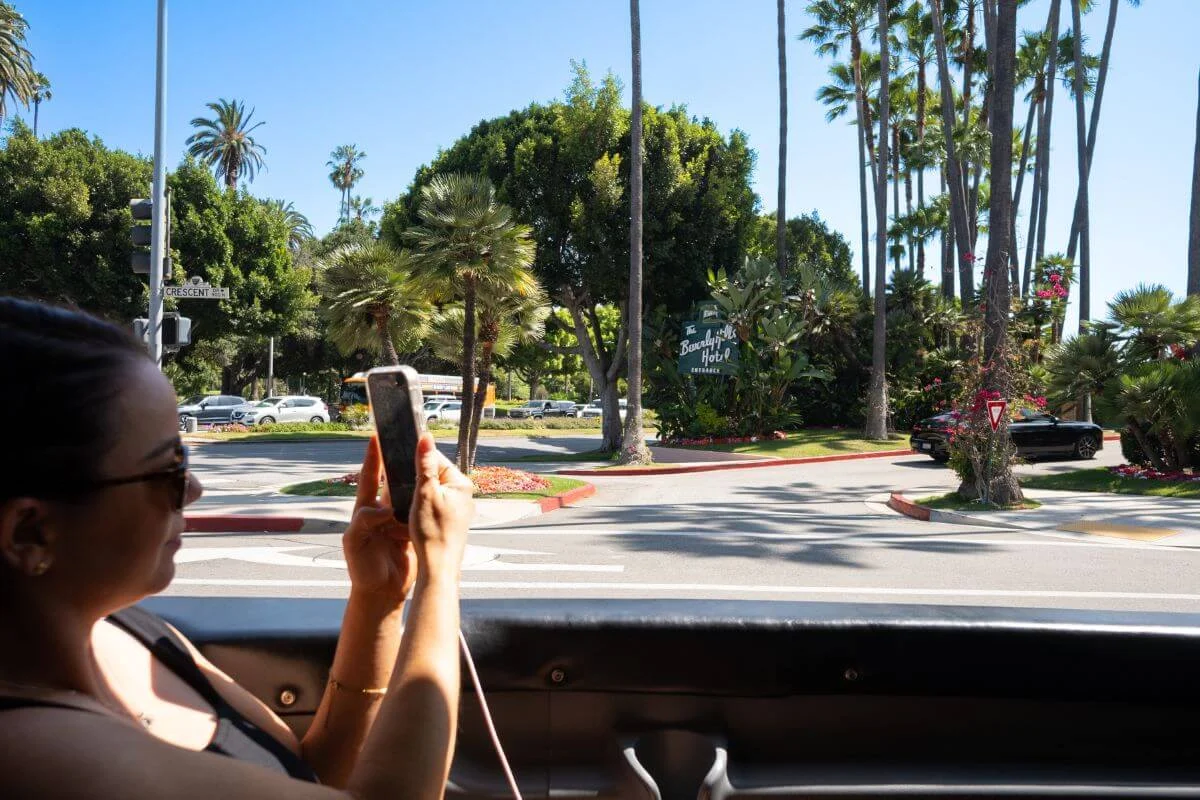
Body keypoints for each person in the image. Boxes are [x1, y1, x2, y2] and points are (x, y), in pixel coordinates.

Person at [0, 297, 476, 798]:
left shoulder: (130, 630)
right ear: (30, 532)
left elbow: (314, 770)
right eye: (168, 470)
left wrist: (378, 600)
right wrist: (439, 576)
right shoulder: (41, 756)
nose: (193, 490)